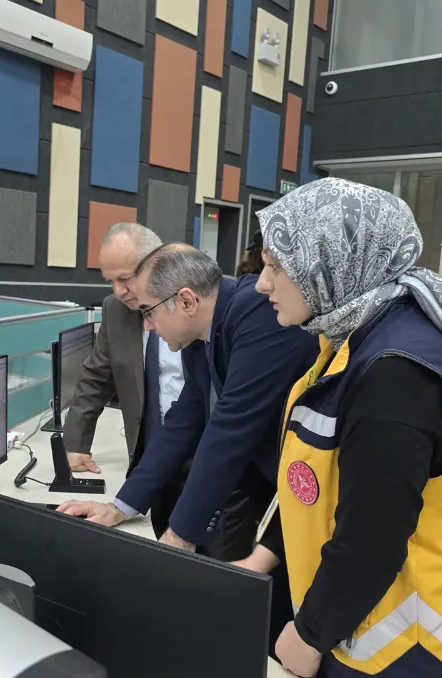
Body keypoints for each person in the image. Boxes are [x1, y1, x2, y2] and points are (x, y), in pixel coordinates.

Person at [239, 177, 442, 678]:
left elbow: (373, 536)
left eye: (277, 266)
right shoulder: (354, 334)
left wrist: (309, 635)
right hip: (357, 632)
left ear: (331, 262)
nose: (261, 283)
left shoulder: (395, 374)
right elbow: (318, 481)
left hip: (401, 665)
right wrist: (264, 555)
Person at [59, 244, 317, 561]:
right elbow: (184, 420)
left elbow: (229, 429)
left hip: (310, 494)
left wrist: (179, 536)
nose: (147, 326)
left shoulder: (258, 312)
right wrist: (120, 506)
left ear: (187, 301)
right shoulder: (205, 332)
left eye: (148, 312)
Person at [62, 222, 185, 538]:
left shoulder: (191, 305)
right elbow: (96, 377)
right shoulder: (115, 309)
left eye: (126, 278)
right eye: (110, 281)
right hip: (147, 462)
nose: (118, 291)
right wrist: (75, 444)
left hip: (200, 458)